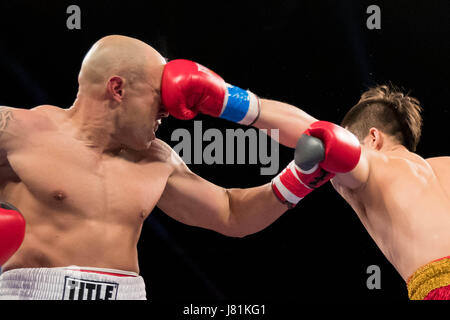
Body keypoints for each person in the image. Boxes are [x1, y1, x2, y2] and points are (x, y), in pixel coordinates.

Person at [0, 35, 358, 300]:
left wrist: (301, 176)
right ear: (117, 89)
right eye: (160, 97)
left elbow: (232, 215)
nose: (170, 111)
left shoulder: (157, 158)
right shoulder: (16, 130)